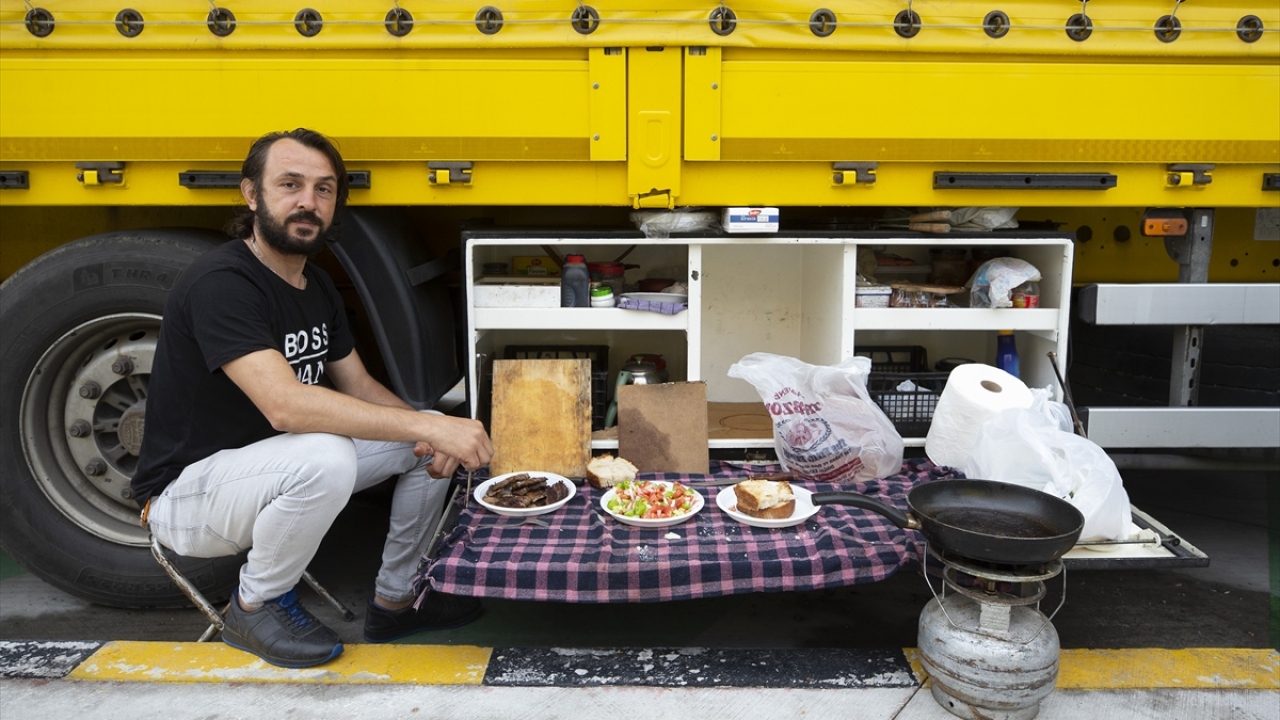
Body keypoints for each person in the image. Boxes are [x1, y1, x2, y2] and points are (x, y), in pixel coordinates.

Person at [131, 128, 493, 668]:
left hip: (271, 470)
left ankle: (397, 599)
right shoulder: (222, 282)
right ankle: (254, 605)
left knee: (420, 441)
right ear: (251, 194)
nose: (309, 201)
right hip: (187, 497)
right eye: (290, 184)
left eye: (324, 189)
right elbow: (286, 407)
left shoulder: (316, 284)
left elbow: (359, 386)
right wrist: (435, 427)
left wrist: (432, 429)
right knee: (330, 453)